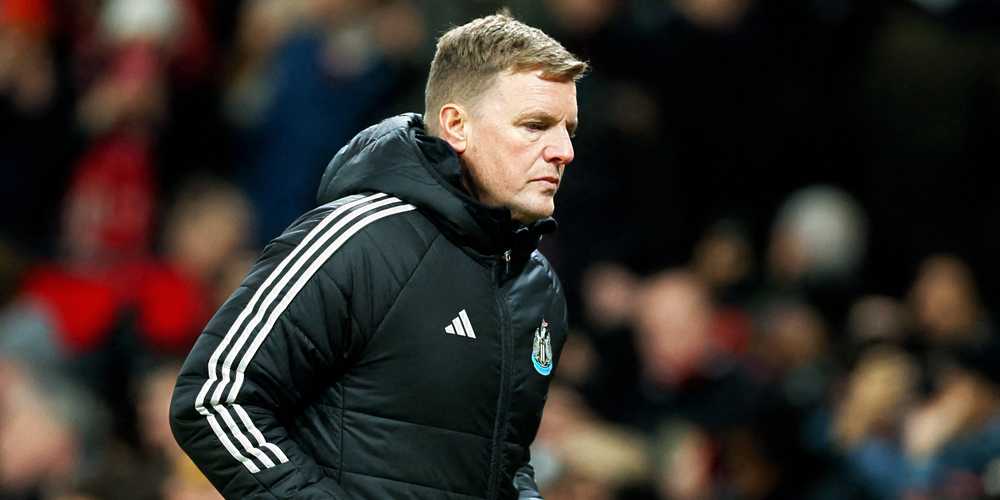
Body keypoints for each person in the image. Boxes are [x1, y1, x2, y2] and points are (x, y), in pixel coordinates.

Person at [169, 11, 587, 500]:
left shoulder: (536, 286)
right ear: (457, 125)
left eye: (568, 130)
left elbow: (504, 463)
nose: (563, 151)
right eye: (536, 125)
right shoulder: (358, 240)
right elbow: (213, 397)